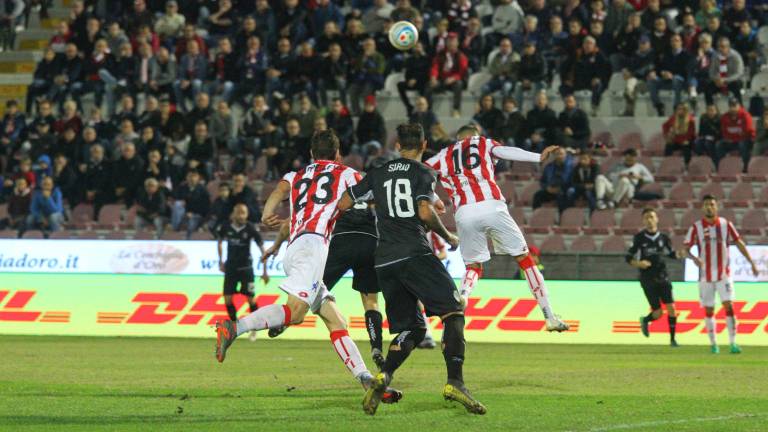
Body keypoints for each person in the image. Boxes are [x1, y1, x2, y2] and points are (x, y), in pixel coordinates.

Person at [216, 130, 399, 401]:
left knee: (336, 321)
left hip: (298, 246)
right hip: (313, 249)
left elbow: (279, 190)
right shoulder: (345, 173)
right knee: (296, 313)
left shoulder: (296, 175)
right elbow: (373, 189)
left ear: (312, 154)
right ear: (338, 154)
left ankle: (366, 380)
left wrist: (267, 213)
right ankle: (235, 327)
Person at [341, 123, 486, 416]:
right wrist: (449, 237)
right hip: (414, 253)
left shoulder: (378, 173)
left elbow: (345, 201)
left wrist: (376, 203)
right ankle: (455, 382)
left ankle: (385, 375)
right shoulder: (424, 173)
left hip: (384, 261)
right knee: (455, 310)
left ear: (397, 145)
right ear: (424, 145)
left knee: (414, 328)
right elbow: (424, 211)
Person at [426, 124, 569, 331]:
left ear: (457, 138)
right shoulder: (483, 142)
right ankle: (549, 316)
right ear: (475, 135)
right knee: (525, 260)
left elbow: (420, 174)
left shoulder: (443, 155)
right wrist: (538, 157)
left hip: (464, 213)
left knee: (473, 266)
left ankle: (464, 296)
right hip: (491, 206)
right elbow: (506, 151)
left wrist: (436, 198)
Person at [681, 195, 759, 354]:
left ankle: (733, 343)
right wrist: (694, 258)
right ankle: (714, 344)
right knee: (709, 310)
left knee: (729, 306)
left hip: (724, 274)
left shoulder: (725, 224)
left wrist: (751, 262)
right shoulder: (696, 227)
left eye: (712, 204)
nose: (709, 207)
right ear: (702, 208)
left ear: (716, 207)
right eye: (706, 205)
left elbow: (739, 243)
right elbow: (685, 249)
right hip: (705, 277)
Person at [626, 208, 681, 347]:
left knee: (672, 308)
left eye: (652, 217)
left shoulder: (664, 238)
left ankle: (673, 340)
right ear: (643, 221)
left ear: (657, 219)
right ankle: (645, 320)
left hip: (663, 277)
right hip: (647, 279)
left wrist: (680, 254)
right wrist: (639, 263)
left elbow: (670, 254)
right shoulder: (639, 238)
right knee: (658, 313)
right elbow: (628, 258)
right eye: (646, 218)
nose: (649, 220)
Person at [217, 203, 269, 342]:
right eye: (238, 212)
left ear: (246, 214)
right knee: (227, 299)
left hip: (246, 269)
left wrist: (265, 271)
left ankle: (254, 328)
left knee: (251, 299)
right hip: (230, 269)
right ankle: (235, 326)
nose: (241, 215)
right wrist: (220, 261)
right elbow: (220, 242)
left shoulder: (251, 228)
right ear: (234, 213)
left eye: (243, 213)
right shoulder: (226, 227)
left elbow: (262, 249)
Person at [718, 98, 755, 169]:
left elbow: (747, 132)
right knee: (719, 145)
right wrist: (731, 138)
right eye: (731, 106)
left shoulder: (745, 115)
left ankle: (745, 168)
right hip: (731, 141)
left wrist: (734, 137)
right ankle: (720, 167)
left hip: (745, 140)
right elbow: (724, 132)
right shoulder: (724, 117)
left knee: (742, 145)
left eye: (735, 106)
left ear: (739, 106)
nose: (733, 108)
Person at [705, 37, 744, 106]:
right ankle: (711, 109)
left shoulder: (736, 56)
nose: (720, 49)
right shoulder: (715, 56)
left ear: (728, 47)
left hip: (732, 80)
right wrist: (716, 79)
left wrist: (725, 80)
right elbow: (711, 72)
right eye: (719, 47)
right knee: (707, 89)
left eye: (722, 46)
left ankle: (740, 108)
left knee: (736, 86)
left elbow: (739, 73)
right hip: (719, 81)